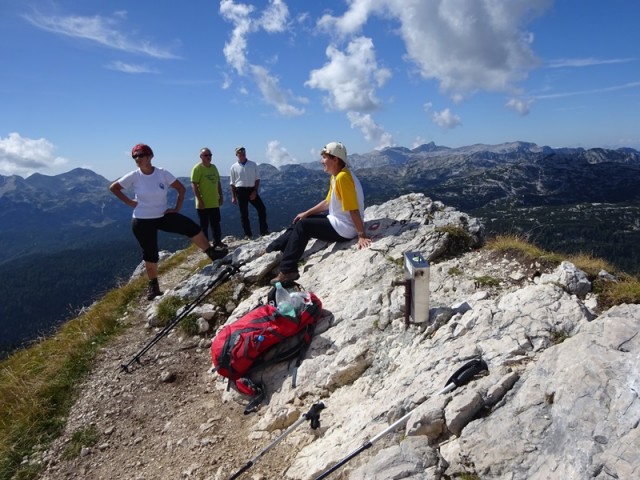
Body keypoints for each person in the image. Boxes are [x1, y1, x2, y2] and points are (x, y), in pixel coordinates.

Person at [110, 143, 227, 301]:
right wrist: (130, 202)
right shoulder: (134, 175)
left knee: (192, 228)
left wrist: (176, 209)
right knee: (150, 254)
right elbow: (114, 187)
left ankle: (212, 254)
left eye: (140, 155)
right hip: (142, 220)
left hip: (162, 215)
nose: (137, 159)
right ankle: (154, 287)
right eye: (135, 156)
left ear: (150, 156)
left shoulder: (162, 173)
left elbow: (181, 189)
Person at [267, 141, 371, 284]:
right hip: (338, 222)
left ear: (335, 159)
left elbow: (353, 209)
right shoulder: (337, 176)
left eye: (324, 157)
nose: (322, 161)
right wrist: (306, 213)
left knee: (304, 227)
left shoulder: (342, 178)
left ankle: (287, 270)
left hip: (346, 228)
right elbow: (327, 202)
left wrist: (361, 235)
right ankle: (273, 249)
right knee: (301, 221)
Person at [229, 146, 269, 239]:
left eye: (243, 152)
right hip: (240, 191)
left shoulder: (253, 164)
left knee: (261, 209)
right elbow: (232, 183)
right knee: (244, 214)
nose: (242, 154)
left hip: (251, 189)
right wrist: (233, 196)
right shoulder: (233, 167)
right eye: (240, 152)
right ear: (236, 154)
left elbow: (257, 179)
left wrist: (255, 191)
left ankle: (264, 231)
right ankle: (248, 234)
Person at [191, 147, 226, 249]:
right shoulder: (197, 168)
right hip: (202, 203)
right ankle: (205, 246)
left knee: (216, 223)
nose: (209, 157)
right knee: (204, 226)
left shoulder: (214, 167)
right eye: (206, 155)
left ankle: (217, 242)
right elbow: (194, 185)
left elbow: (218, 182)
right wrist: (200, 200)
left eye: (210, 155)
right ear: (201, 157)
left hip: (214, 201)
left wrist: (221, 195)